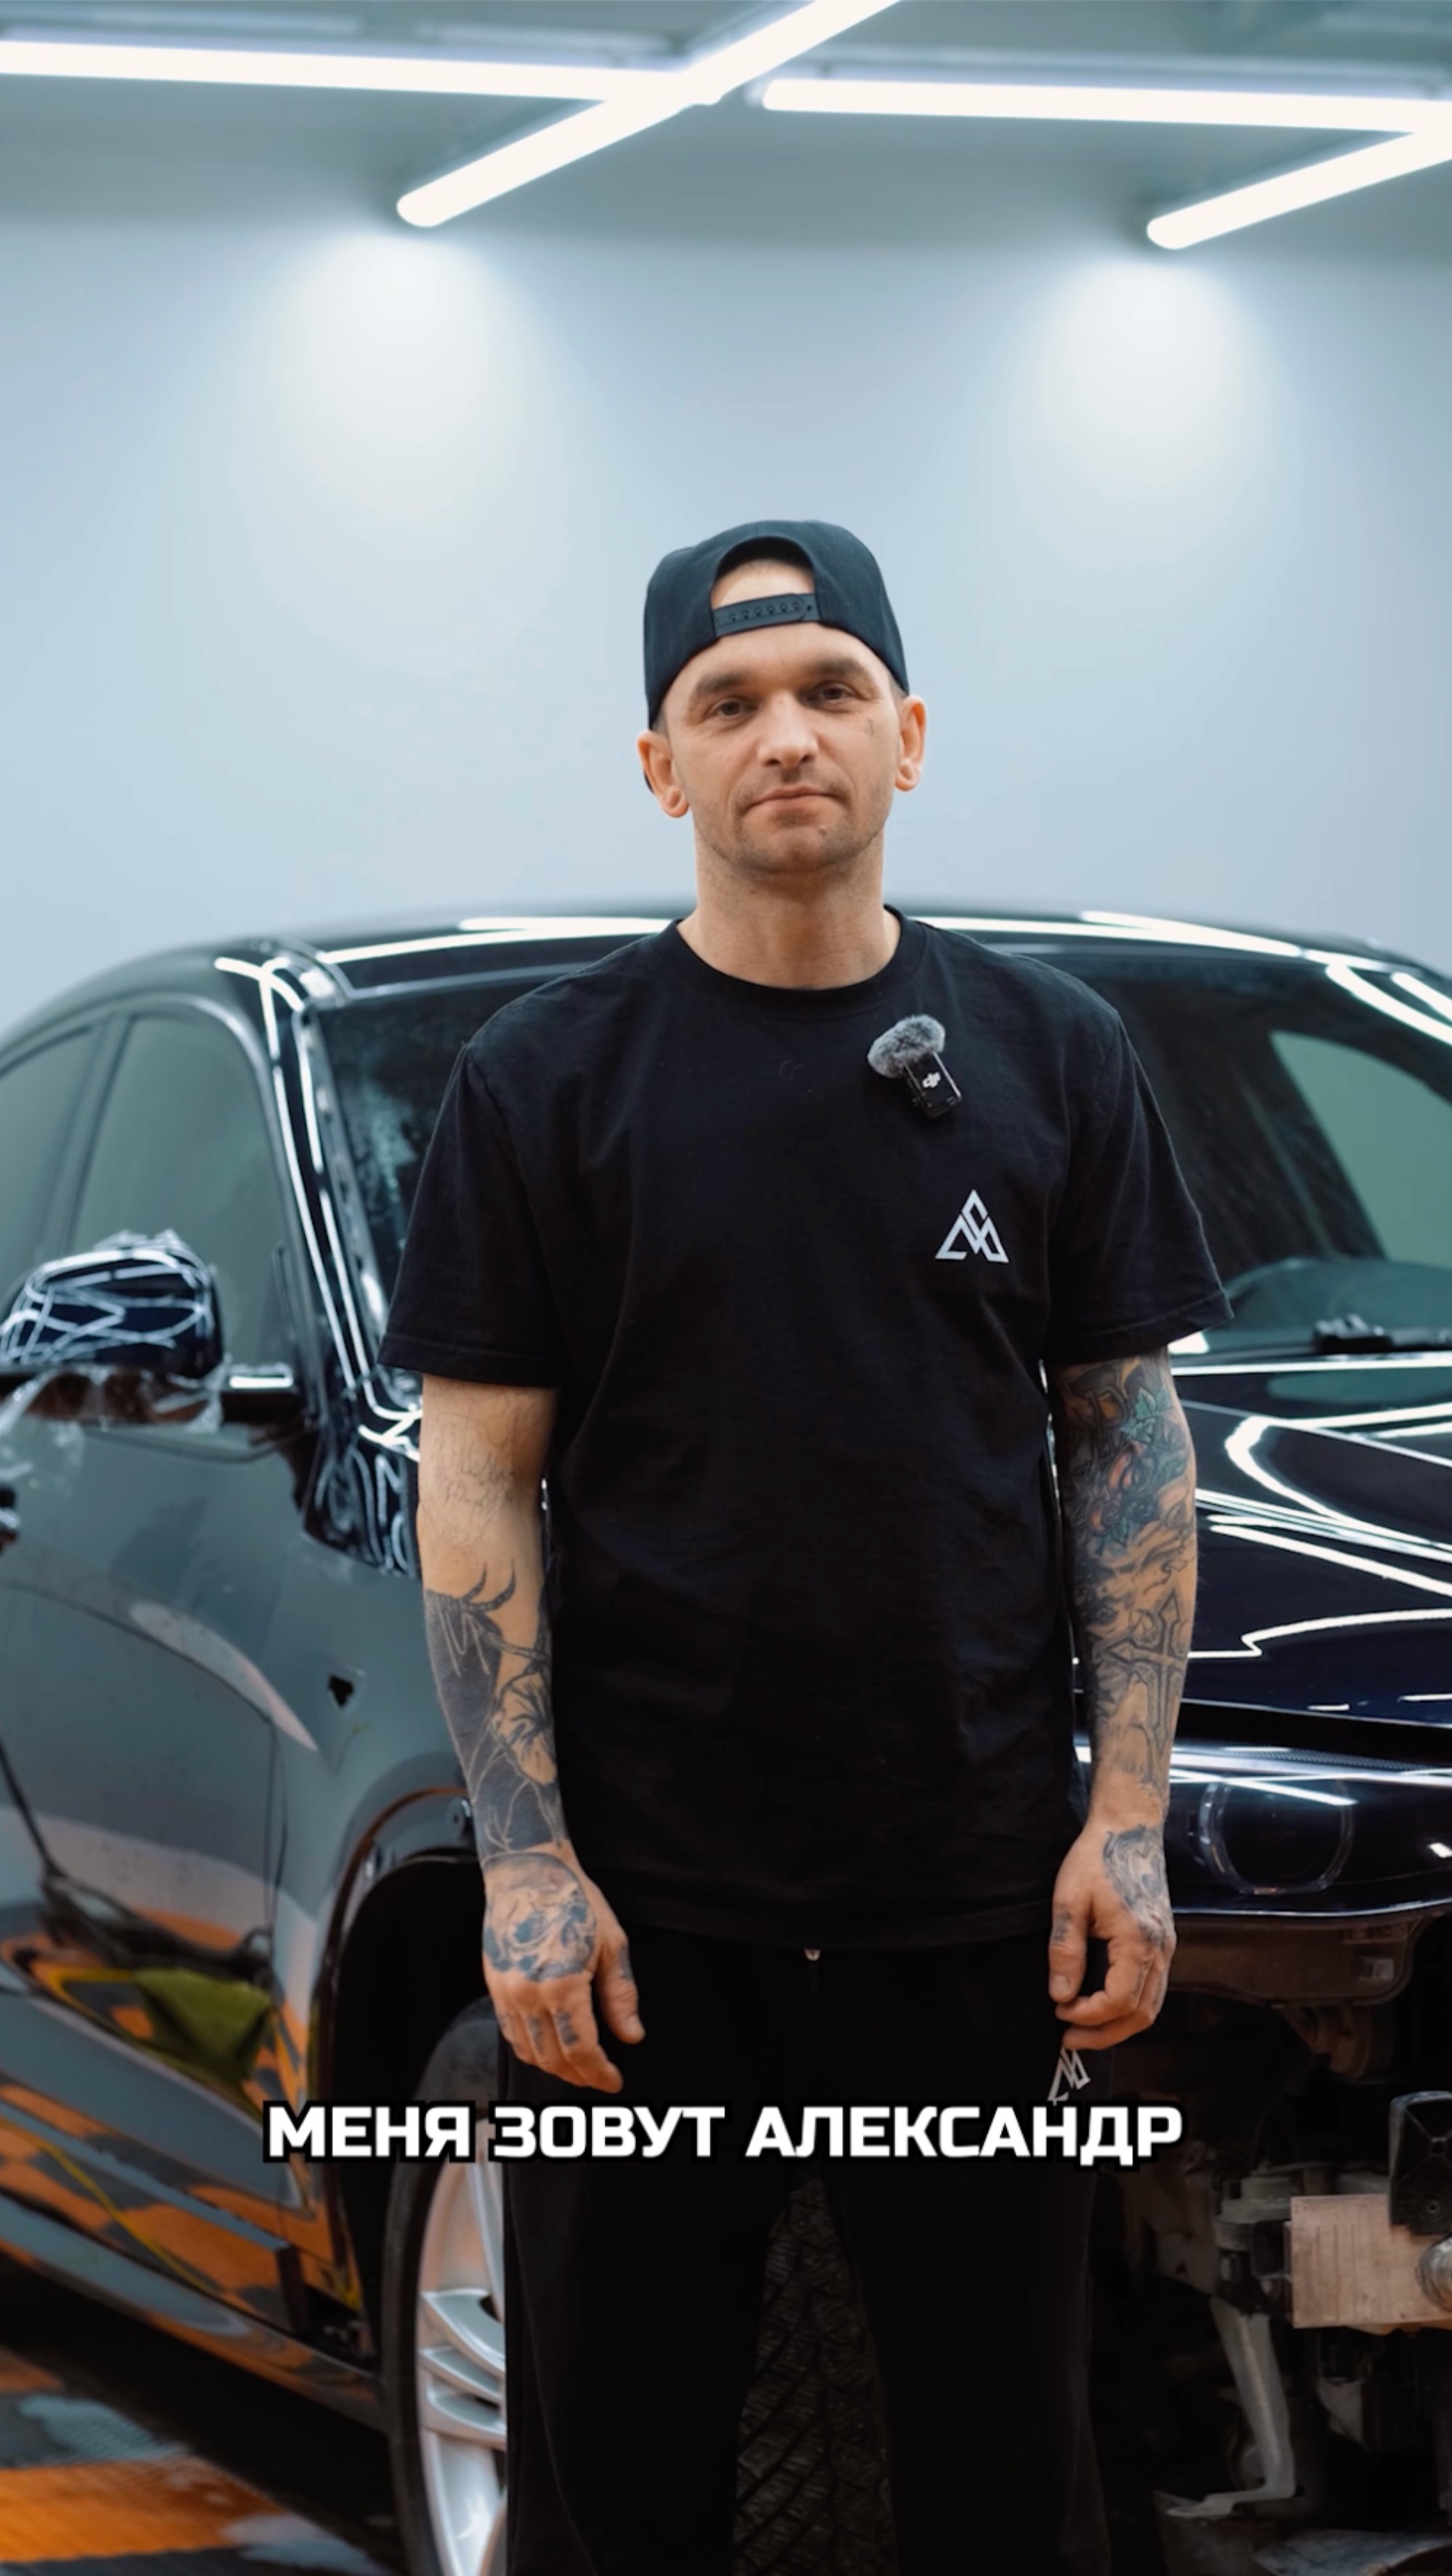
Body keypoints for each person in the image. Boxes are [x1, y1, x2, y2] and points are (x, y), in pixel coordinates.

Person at [379, 518, 1232, 2576]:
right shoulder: (544, 1082)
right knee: (616, 2495)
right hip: (647, 1920)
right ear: (658, 763)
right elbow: (477, 1483)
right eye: (728, 702)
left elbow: (1125, 1450)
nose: (787, 736)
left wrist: (1122, 1823)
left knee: (1005, 2484)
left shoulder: (1049, 1056)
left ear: (906, 736)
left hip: (968, 1904)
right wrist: (527, 1864)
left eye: (832, 690)